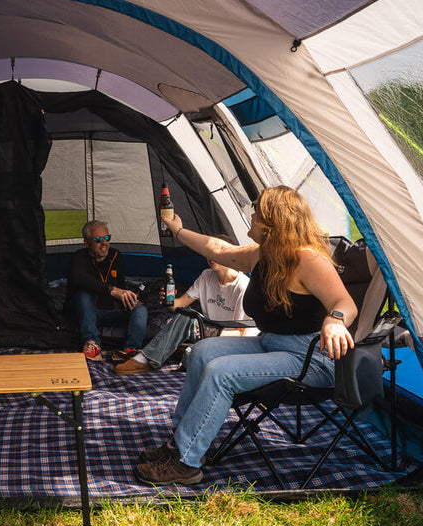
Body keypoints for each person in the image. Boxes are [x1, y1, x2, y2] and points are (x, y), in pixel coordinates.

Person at [135, 186, 357, 486]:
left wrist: (335, 320)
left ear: (273, 222)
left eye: (257, 212)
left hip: (311, 358)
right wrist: (178, 231)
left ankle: (186, 463)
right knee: (202, 351)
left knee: (221, 372)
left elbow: (345, 303)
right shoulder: (262, 255)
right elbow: (217, 249)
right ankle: (179, 443)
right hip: (271, 344)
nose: (251, 216)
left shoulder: (308, 260)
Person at [114, 247, 253, 375]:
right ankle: (148, 358)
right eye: (208, 253)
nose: (210, 257)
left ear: (230, 255)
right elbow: (179, 305)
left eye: (216, 253)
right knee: (186, 316)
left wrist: (210, 331)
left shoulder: (243, 286)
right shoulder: (206, 276)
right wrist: (169, 300)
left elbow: (241, 333)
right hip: (206, 335)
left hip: (231, 343)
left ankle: (169, 353)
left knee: (189, 357)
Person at [65, 220, 148, 361]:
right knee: (85, 293)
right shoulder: (78, 257)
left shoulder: (116, 256)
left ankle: (130, 351)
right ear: (87, 243)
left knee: (141, 310)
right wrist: (112, 290)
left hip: (108, 313)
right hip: (83, 313)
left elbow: (120, 286)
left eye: (107, 238)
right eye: (98, 240)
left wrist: (129, 301)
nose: (104, 243)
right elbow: (80, 279)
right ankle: (92, 343)